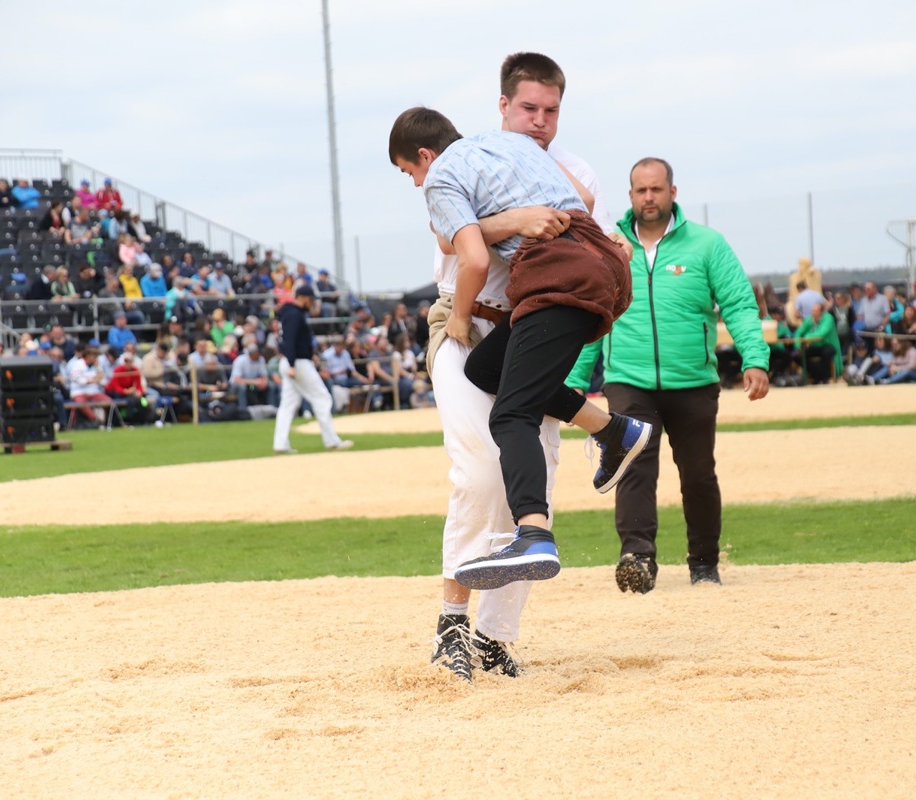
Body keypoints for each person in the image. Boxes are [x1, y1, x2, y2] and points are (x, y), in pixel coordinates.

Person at [407, 53, 629, 682]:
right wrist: (521, 218)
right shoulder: (464, 162)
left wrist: (547, 212)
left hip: (528, 327)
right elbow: (460, 241)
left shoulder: (571, 169)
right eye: (527, 108)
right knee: (479, 471)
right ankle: (452, 624)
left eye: (550, 111)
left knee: (535, 478)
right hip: (462, 318)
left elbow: (588, 229)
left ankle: (493, 638)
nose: (538, 121)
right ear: (501, 108)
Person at [566, 157, 769, 593]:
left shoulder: (707, 245)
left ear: (672, 193)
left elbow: (737, 303)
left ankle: (704, 562)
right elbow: (593, 316)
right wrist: (577, 377)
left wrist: (755, 358)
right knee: (634, 465)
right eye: (641, 190)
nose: (649, 198)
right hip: (628, 378)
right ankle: (637, 559)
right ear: (630, 196)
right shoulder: (611, 246)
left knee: (698, 474)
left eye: (657, 189)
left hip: (693, 380)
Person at [272, 285, 353, 453]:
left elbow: (291, 340)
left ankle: (280, 444)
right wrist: (293, 363)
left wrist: (309, 355)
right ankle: (331, 440)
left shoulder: (289, 312)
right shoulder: (294, 314)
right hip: (297, 363)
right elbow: (290, 340)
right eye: (310, 299)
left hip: (293, 361)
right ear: (302, 297)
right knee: (322, 398)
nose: (312, 302)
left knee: (288, 404)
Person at [792, 300, 841, 384]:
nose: (813, 313)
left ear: (821, 312)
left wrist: (806, 337)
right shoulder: (810, 319)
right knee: (797, 355)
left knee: (827, 353)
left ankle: (825, 378)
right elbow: (799, 332)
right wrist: (798, 346)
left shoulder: (828, 318)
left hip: (828, 344)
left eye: (815, 311)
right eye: (812, 311)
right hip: (814, 346)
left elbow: (821, 334)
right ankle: (817, 374)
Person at [230, 344, 270, 410]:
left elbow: (264, 375)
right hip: (235, 387)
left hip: (252, 386)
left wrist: (264, 382)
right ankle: (243, 411)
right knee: (242, 387)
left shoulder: (261, 359)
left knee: (270, 385)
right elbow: (236, 380)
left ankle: (272, 409)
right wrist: (255, 382)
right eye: (258, 353)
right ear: (252, 353)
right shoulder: (240, 360)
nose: (259, 354)